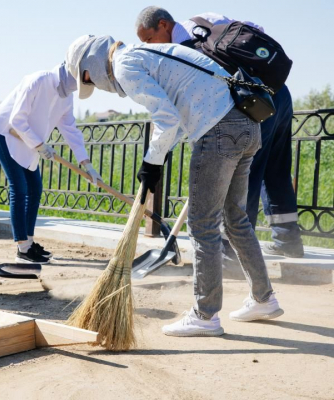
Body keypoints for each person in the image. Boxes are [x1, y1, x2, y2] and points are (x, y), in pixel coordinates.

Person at [65, 34, 284, 336]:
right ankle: (264, 298)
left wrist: (151, 162)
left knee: (203, 224)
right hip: (246, 123)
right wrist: (160, 154)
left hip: (218, 130)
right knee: (235, 218)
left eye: (86, 76)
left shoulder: (125, 65)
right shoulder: (147, 53)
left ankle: (205, 315)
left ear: (91, 60)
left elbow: (166, 117)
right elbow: (179, 113)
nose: (90, 83)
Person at [135, 7, 304, 258]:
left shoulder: (182, 53)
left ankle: (233, 249)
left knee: (243, 174)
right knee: (276, 169)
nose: (150, 46)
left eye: (149, 39)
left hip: (254, 104)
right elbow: (255, 32)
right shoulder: (205, 21)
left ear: (163, 25)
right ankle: (288, 241)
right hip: (277, 93)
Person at [0, 63, 101, 264]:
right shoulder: (38, 80)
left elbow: (71, 130)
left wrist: (87, 163)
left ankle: (29, 242)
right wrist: (40, 145)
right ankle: (23, 248)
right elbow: (17, 120)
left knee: (35, 188)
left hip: (28, 138)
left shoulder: (67, 96)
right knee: (18, 188)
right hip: (4, 131)